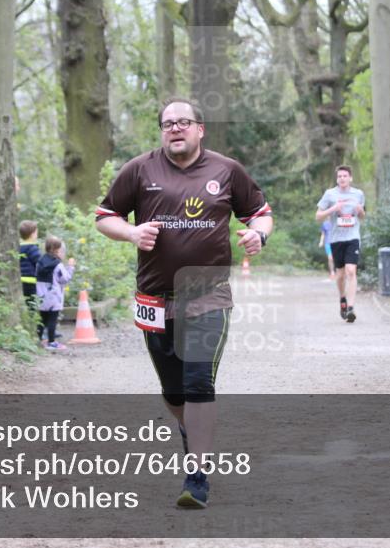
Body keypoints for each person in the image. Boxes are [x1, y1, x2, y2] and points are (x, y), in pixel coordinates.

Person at [95, 96, 273, 509]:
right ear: (162, 131)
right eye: (167, 123)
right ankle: (192, 433)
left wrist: (257, 235)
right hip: (154, 299)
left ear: (199, 129)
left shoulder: (226, 170)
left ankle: (197, 477)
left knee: (197, 384)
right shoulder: (139, 170)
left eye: (183, 122)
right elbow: (105, 216)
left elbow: (261, 213)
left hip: (208, 296)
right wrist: (132, 234)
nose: (175, 128)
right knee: (174, 392)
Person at [315, 165, 366, 323]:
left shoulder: (358, 194)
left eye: (345, 176)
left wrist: (360, 211)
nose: (342, 179)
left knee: (351, 271)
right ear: (337, 179)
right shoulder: (330, 194)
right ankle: (342, 299)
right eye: (339, 176)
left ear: (350, 178)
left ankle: (350, 308)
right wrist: (333, 209)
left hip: (353, 237)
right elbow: (318, 216)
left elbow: (362, 217)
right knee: (340, 275)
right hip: (336, 239)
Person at [35, 235, 75, 350]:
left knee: (42, 319)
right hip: (53, 297)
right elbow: (65, 278)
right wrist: (71, 267)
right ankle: (51, 342)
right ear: (57, 250)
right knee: (52, 320)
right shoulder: (58, 265)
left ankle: (39, 340)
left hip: (41, 295)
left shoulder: (40, 261)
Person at [19, 220, 41, 313]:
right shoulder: (32, 248)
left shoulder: (18, 247)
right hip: (31, 281)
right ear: (32, 234)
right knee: (32, 305)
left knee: (25, 302)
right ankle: (33, 321)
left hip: (21, 280)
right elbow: (39, 263)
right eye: (36, 232)